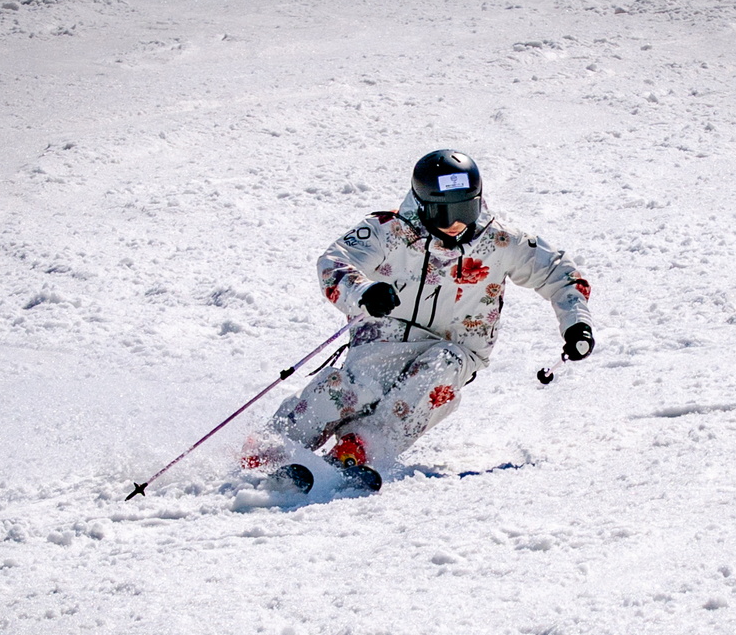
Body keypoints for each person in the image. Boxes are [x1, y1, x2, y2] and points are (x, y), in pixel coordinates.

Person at [244, 149, 595, 487]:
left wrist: (576, 322)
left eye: (467, 209)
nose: (457, 223)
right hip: (387, 333)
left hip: (459, 344)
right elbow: (335, 262)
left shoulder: (501, 241)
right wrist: (363, 291)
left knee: (438, 372)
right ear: (424, 205)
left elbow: (560, 274)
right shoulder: (389, 230)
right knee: (358, 384)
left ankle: (361, 445)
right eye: (445, 213)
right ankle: (279, 443)